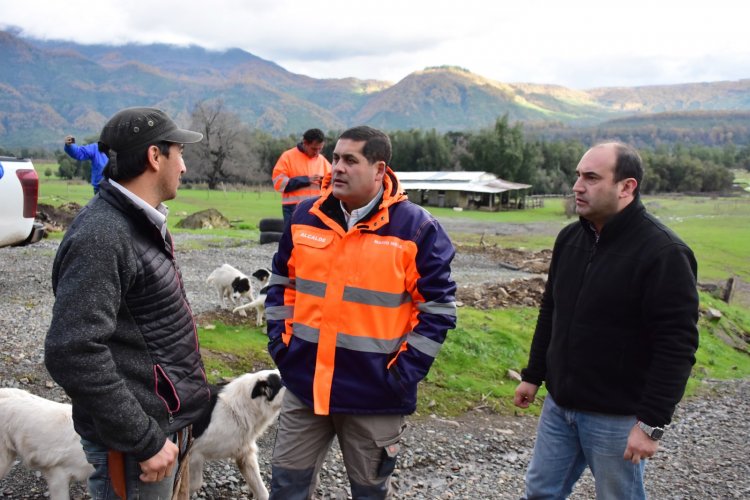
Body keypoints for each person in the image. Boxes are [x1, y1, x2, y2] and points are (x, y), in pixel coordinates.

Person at [265, 125, 457, 499]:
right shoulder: (306, 216)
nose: (336, 168)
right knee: (286, 489)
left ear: (379, 170)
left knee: (370, 493)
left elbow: (437, 310)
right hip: (305, 388)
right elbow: (281, 285)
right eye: (335, 158)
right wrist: (282, 347)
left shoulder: (417, 229)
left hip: (375, 396)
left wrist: (401, 375)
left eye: (350, 160)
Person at [513, 142, 700, 499]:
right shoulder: (570, 239)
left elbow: (677, 345)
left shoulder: (663, 253)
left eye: (592, 178)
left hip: (616, 417)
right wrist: (534, 375)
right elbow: (552, 310)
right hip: (560, 406)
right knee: (539, 493)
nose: (577, 186)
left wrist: (651, 425)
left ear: (627, 187)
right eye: (578, 176)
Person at [45, 107, 210, 499]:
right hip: (137, 447)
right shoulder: (103, 234)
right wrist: (144, 439)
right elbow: (72, 351)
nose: (183, 166)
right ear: (155, 157)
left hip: (162, 429)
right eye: (179, 153)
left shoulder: (138, 222)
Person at [272, 128, 332, 226]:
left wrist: (323, 182)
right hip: (293, 208)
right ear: (305, 143)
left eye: (320, 149)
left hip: (316, 208)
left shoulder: (323, 161)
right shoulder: (287, 157)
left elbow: (331, 186)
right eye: (314, 149)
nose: (317, 152)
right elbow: (279, 184)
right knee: (292, 240)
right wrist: (306, 180)